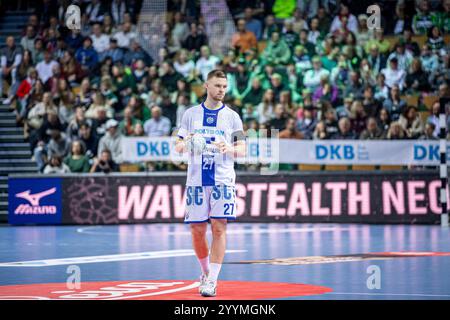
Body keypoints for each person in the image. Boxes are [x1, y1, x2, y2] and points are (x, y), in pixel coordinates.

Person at [174, 69, 246, 297]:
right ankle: (205, 272)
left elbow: (243, 150)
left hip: (223, 180)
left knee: (219, 227)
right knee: (197, 231)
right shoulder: (190, 114)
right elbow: (177, 146)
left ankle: (212, 281)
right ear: (206, 85)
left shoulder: (233, 116)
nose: (221, 90)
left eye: (224, 87)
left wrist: (230, 148)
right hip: (196, 181)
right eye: (217, 86)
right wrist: (189, 143)